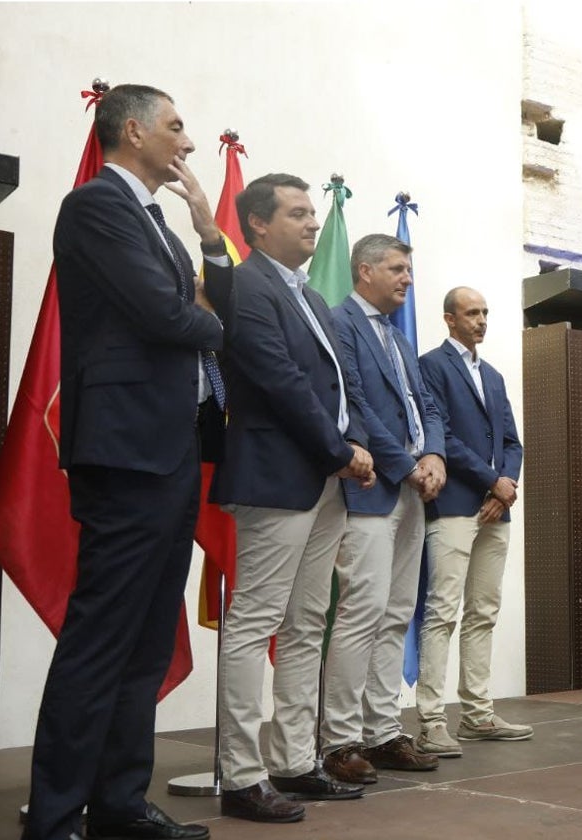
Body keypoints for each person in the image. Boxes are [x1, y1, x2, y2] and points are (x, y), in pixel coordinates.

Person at [24, 84, 226, 840]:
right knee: (101, 637)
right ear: (133, 130)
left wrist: (209, 234)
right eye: (176, 125)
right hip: (125, 450)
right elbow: (170, 317)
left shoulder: (164, 227)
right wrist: (207, 319)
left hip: (169, 450)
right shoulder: (95, 207)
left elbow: (214, 312)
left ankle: (117, 803)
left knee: (145, 639)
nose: (188, 140)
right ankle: (54, 817)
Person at [208, 173, 375, 823]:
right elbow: (276, 379)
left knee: (308, 625)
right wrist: (341, 450)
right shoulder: (249, 286)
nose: (312, 223)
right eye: (298, 213)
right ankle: (242, 776)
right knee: (256, 625)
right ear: (256, 225)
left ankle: (294, 761)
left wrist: (354, 443)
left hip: (324, 480)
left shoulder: (308, 292)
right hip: (277, 475)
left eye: (313, 214)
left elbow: (341, 383)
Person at [320, 233, 447, 782]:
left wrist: (437, 454)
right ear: (365, 270)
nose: (407, 279)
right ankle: (340, 740)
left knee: (397, 614)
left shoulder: (398, 337)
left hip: (415, 489)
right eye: (397, 269)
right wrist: (407, 464)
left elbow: (427, 404)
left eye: (409, 270)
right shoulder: (340, 322)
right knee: (361, 612)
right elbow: (356, 403)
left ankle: (382, 730)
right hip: (373, 488)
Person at [413, 286, 530, 757]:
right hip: (456, 503)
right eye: (472, 312)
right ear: (449, 319)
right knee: (443, 611)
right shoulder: (431, 366)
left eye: (485, 312)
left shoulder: (496, 376)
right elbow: (439, 436)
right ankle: (430, 721)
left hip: (494, 510)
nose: (481, 320)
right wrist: (491, 482)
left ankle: (478, 714)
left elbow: (512, 442)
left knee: (483, 611)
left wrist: (505, 488)